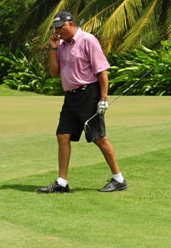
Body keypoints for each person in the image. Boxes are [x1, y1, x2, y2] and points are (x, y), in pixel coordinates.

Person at [38, 11, 127, 193]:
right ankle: (62, 182)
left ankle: (118, 179)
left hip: (89, 94)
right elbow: (54, 72)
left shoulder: (88, 40)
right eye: (55, 28)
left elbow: (102, 70)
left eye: (60, 27)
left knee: (99, 138)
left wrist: (103, 98)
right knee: (63, 135)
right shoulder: (61, 45)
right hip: (71, 97)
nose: (57, 31)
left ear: (70, 24)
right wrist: (53, 48)